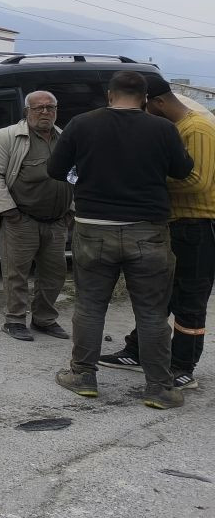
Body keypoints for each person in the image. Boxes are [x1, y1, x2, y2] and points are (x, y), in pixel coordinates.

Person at [47, 70, 193, 409]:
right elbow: (183, 170)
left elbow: (55, 170)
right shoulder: (163, 129)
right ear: (144, 99)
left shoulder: (81, 124)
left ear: (110, 95)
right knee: (152, 313)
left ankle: (83, 376)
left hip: (93, 229)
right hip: (148, 232)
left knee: (89, 305)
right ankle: (159, 388)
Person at [99, 75, 215, 391]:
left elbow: (198, 182)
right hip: (172, 226)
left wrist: (146, 180)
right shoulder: (176, 129)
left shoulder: (198, 129)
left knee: (189, 299)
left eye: (144, 107)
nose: (142, 114)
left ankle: (182, 366)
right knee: (157, 295)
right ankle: (138, 351)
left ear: (158, 102)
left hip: (197, 228)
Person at [0, 90, 73, 342]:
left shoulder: (65, 138)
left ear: (56, 110)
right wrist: (9, 212)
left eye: (50, 107)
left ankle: (44, 320)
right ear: (26, 111)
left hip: (57, 220)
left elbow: (76, 175)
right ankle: (15, 320)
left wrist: (71, 210)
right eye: (38, 108)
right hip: (21, 217)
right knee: (16, 272)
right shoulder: (7, 136)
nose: (44, 112)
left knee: (54, 274)